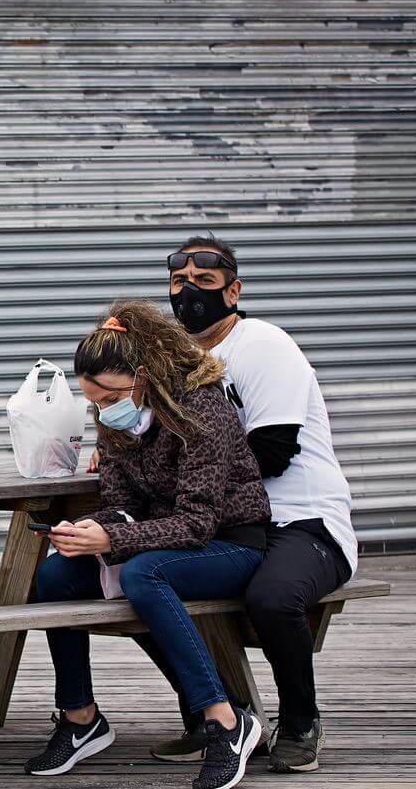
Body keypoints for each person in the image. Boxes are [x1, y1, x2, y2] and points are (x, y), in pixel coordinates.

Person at [132, 236, 356, 773]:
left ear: (234, 291)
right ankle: (220, 717)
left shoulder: (264, 344)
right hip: (228, 523)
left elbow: (273, 453)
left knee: (273, 597)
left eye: (205, 283)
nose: (189, 294)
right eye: (179, 283)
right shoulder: (174, 361)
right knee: (128, 581)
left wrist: (181, 483)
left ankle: (301, 722)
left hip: (301, 522)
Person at [24, 300, 270, 789]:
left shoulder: (201, 411)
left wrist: (114, 535)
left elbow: (197, 524)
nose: (102, 408)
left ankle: (225, 720)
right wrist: (87, 528)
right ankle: (80, 719)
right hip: (159, 541)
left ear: (142, 376)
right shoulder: (118, 421)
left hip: (230, 545)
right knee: (54, 574)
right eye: (93, 400)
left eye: (111, 395)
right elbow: (121, 504)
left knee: (141, 573)